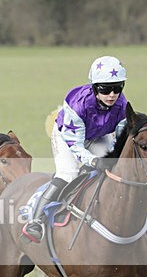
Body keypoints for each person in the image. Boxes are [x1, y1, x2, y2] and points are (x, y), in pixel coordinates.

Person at [22, 55, 129, 244]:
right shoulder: (79, 105)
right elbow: (76, 145)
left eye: (117, 88)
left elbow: (121, 140)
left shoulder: (122, 105)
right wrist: (93, 161)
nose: (112, 94)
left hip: (97, 135)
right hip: (68, 136)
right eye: (105, 89)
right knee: (68, 173)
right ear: (95, 87)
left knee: (113, 169)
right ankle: (36, 220)